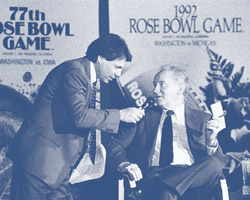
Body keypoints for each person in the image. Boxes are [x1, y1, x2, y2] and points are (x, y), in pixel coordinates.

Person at [7, 33, 145, 200]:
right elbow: (80, 116)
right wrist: (121, 115)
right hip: (39, 165)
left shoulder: (85, 74)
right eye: (116, 67)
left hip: (58, 168)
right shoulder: (75, 72)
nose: (118, 74)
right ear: (101, 58)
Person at [107, 65, 226, 200]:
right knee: (166, 195)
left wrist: (211, 141)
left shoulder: (202, 119)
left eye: (161, 85)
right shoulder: (142, 116)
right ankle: (164, 188)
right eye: (154, 85)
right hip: (155, 174)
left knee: (214, 163)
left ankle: (164, 187)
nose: (155, 90)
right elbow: (115, 145)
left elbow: (219, 165)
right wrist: (125, 165)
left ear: (179, 89)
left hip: (192, 180)